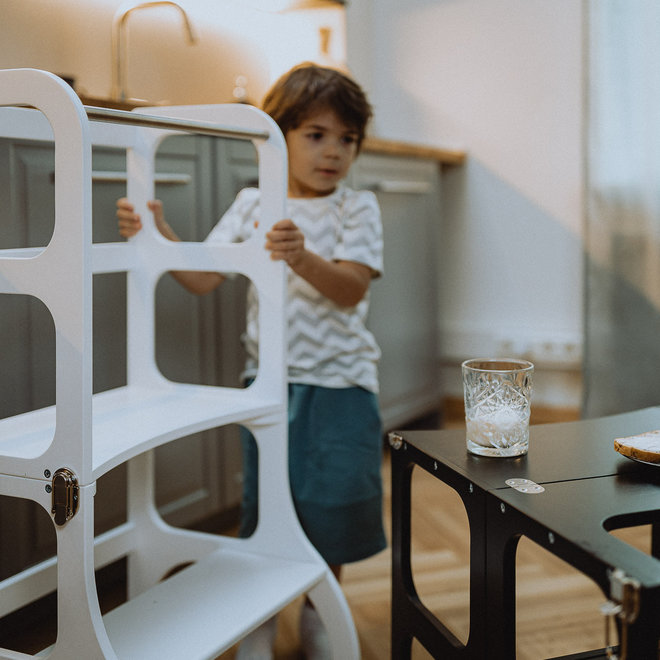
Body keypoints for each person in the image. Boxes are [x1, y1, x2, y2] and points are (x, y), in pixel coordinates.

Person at [117, 62, 386, 660]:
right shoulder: (249, 205)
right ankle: (260, 613)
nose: (334, 152)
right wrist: (157, 231)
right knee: (268, 508)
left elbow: (351, 289)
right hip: (265, 387)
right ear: (277, 135)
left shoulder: (356, 208)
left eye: (347, 139)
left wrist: (300, 256)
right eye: (316, 134)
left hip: (340, 386)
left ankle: (320, 612)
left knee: (332, 508)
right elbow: (203, 278)